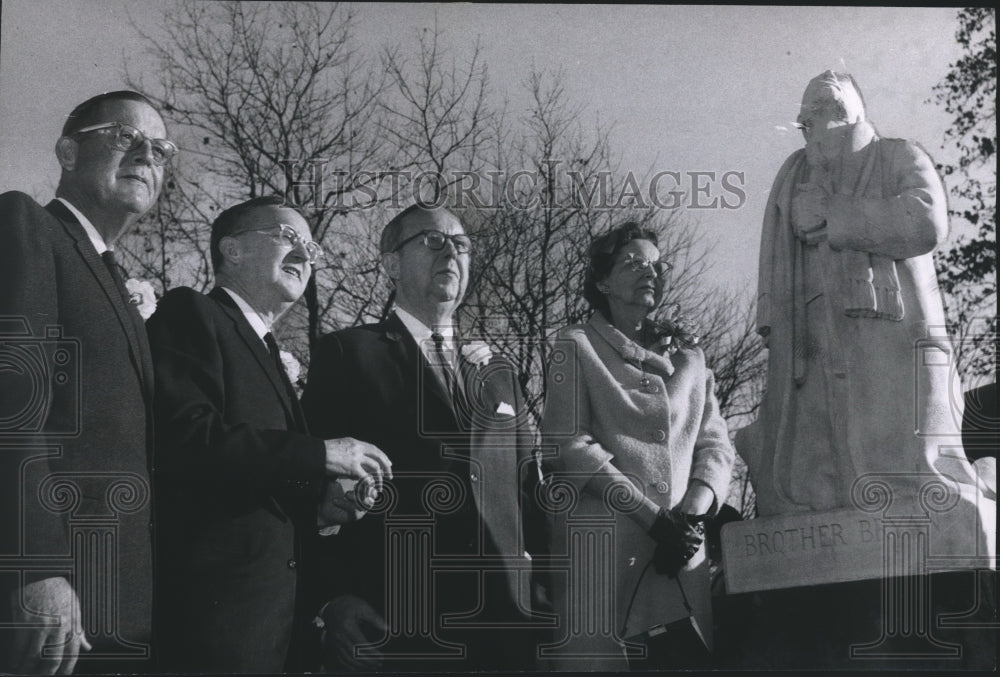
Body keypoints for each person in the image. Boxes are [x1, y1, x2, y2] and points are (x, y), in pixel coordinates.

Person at [145, 195, 393, 672]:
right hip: (212, 628)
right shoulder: (192, 312)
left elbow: (256, 471)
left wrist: (320, 505)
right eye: (287, 237)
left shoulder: (269, 351)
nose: (304, 254)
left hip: (277, 635)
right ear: (232, 250)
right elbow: (187, 439)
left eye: (311, 247)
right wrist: (321, 454)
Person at [301, 204, 547, 672]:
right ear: (391, 263)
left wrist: (549, 592)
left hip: (512, 626)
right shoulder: (348, 354)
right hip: (397, 622)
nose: (451, 252)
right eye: (433, 241)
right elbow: (313, 489)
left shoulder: (499, 375)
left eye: (461, 244)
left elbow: (528, 493)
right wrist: (331, 599)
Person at [747, 71, 991, 520]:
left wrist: (835, 215)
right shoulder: (798, 173)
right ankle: (823, 496)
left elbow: (925, 221)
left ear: (841, 113)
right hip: (813, 323)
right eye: (803, 121)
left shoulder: (898, 155)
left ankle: (916, 492)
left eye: (811, 119)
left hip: (889, 321)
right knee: (822, 433)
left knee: (898, 428)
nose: (805, 131)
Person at [0, 91, 170, 674]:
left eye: (162, 149)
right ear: (68, 151)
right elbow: (13, 406)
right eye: (125, 136)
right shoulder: (26, 225)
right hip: (60, 601)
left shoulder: (108, 272)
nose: (147, 154)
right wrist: (36, 566)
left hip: (120, 601)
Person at [540, 222, 735, 671]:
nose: (648, 271)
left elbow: (716, 446)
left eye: (654, 264)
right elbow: (568, 445)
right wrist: (652, 519)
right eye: (631, 262)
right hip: (605, 564)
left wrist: (689, 515)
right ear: (602, 282)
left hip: (681, 562)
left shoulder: (691, 358)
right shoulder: (576, 344)